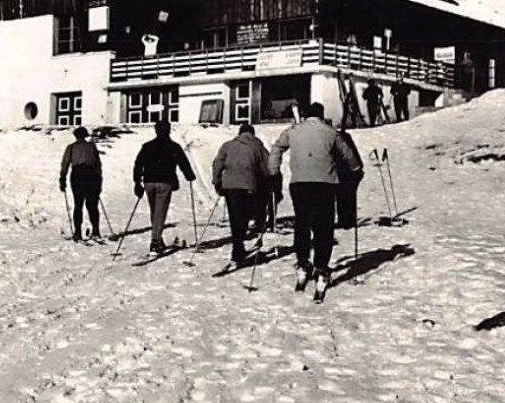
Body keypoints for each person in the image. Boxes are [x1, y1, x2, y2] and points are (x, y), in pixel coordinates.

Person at [268, 101, 364, 303]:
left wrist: (274, 172)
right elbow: (351, 160)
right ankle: (321, 268)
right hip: (325, 185)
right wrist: (354, 171)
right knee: (323, 227)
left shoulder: (293, 131)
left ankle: (303, 264)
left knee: (302, 224)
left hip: (299, 184)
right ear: (321, 116)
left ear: (306, 115)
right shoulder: (331, 132)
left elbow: (277, 148)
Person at [133, 119, 197, 254]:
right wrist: (189, 175)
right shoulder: (173, 146)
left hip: (149, 181)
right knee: (160, 212)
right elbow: (183, 162)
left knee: (155, 211)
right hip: (165, 181)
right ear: (168, 130)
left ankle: (158, 238)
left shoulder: (147, 146)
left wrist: (137, 182)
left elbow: (138, 164)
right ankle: (155, 241)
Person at [211, 122, 271, 264]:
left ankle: (237, 247)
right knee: (244, 217)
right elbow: (267, 167)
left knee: (235, 217)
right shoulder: (258, 146)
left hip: (230, 187)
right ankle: (238, 248)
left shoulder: (228, 145)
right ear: (252, 133)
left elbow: (217, 163)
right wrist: (269, 183)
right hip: (250, 186)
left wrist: (217, 181)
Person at [59, 126, 103, 241]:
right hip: (91, 175)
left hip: (77, 175)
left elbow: (65, 164)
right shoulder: (91, 147)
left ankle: (78, 232)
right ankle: (96, 230)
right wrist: (99, 181)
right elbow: (98, 165)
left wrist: (62, 179)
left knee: (78, 204)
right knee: (92, 204)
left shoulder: (71, 148)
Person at [334, 123, 364, 231]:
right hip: (351, 169)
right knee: (347, 195)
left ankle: (347, 220)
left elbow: (348, 155)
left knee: (344, 194)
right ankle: (347, 219)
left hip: (348, 170)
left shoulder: (337, 138)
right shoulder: (343, 136)